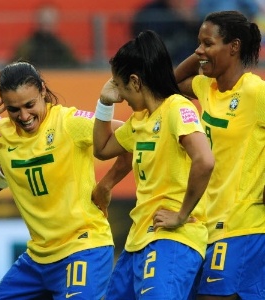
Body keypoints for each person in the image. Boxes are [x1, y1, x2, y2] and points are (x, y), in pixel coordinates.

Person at [0, 61, 132, 299]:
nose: (24, 116)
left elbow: (129, 135)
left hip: (84, 247)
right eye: (13, 109)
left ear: (42, 90)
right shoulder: (1, 135)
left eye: (29, 105)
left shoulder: (69, 122)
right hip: (38, 258)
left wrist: (106, 184)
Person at [92, 30, 214, 299]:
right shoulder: (141, 121)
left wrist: (181, 214)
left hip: (172, 239)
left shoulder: (176, 107)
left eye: (119, 86)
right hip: (139, 240)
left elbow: (204, 160)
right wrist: (103, 103)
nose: (119, 96)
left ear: (135, 82)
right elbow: (101, 150)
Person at [174, 10, 265, 300]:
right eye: (198, 43)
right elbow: (169, 84)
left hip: (242, 225)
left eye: (208, 43)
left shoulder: (255, 92)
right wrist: (202, 54)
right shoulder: (206, 88)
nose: (199, 50)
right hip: (207, 226)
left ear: (234, 47)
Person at [131, 0, 200, 66]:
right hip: (161, 68)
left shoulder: (195, 13)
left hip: (191, 67)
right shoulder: (150, 13)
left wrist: (192, 21)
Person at [11, 4, 80, 69]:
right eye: (43, 22)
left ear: (56, 23)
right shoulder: (25, 46)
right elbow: (14, 68)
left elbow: (75, 68)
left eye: (49, 22)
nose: (46, 25)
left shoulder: (63, 47)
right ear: (37, 21)